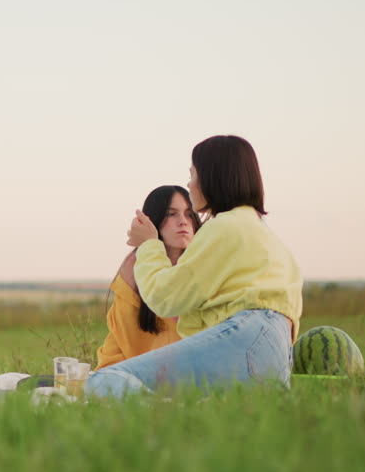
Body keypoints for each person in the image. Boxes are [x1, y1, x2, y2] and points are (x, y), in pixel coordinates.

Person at [85, 135, 303, 398]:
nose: (190, 185)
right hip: (275, 356)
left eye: (193, 175)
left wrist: (149, 245)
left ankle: (161, 417)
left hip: (246, 337)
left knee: (104, 382)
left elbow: (164, 298)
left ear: (212, 178)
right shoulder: (260, 231)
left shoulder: (224, 227)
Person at [95, 185, 201, 370]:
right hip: (134, 369)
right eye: (171, 214)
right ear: (154, 221)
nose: (183, 221)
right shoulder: (135, 266)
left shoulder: (205, 264)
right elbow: (125, 340)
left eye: (189, 214)